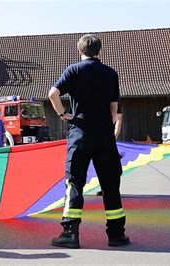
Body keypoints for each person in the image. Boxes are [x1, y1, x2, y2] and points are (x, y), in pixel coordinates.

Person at [48, 34, 130, 248]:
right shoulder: (111, 73)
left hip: (80, 133)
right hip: (104, 135)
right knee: (110, 184)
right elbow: (115, 108)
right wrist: (107, 125)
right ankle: (116, 235)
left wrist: (63, 114)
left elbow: (53, 93)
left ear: (79, 51)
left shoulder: (74, 70)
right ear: (99, 52)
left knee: (75, 182)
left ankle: (70, 234)